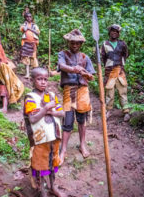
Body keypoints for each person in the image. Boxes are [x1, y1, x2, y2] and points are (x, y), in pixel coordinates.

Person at [23, 67, 65, 197]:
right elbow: (33, 118)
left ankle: (53, 186)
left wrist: (50, 111)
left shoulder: (51, 96)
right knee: (40, 165)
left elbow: (62, 112)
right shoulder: (30, 98)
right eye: (39, 79)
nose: (43, 82)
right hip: (39, 139)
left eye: (45, 79)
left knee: (53, 162)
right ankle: (42, 191)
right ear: (32, 80)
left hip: (54, 136)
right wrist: (46, 107)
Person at [57, 29, 95, 164]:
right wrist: (74, 69)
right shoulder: (63, 54)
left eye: (77, 43)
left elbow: (91, 76)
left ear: (81, 44)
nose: (74, 45)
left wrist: (87, 75)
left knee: (81, 119)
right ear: (69, 42)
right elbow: (61, 66)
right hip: (69, 89)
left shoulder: (85, 57)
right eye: (72, 43)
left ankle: (82, 145)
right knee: (67, 120)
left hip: (83, 90)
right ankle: (63, 150)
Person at [101, 24, 130, 122]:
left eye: (116, 31)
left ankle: (126, 111)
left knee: (123, 91)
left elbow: (126, 54)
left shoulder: (122, 44)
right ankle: (108, 111)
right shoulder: (105, 44)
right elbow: (103, 57)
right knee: (109, 92)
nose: (114, 33)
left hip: (120, 70)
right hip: (109, 72)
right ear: (109, 32)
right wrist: (109, 66)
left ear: (118, 34)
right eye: (112, 31)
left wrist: (120, 65)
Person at [20, 12, 40, 78]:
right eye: (27, 17)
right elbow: (23, 29)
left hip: (33, 43)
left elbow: (38, 33)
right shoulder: (23, 25)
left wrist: (30, 29)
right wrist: (26, 25)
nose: (29, 18)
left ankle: (34, 74)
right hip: (25, 43)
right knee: (26, 58)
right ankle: (27, 74)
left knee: (33, 58)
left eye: (30, 17)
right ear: (25, 18)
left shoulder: (34, 25)